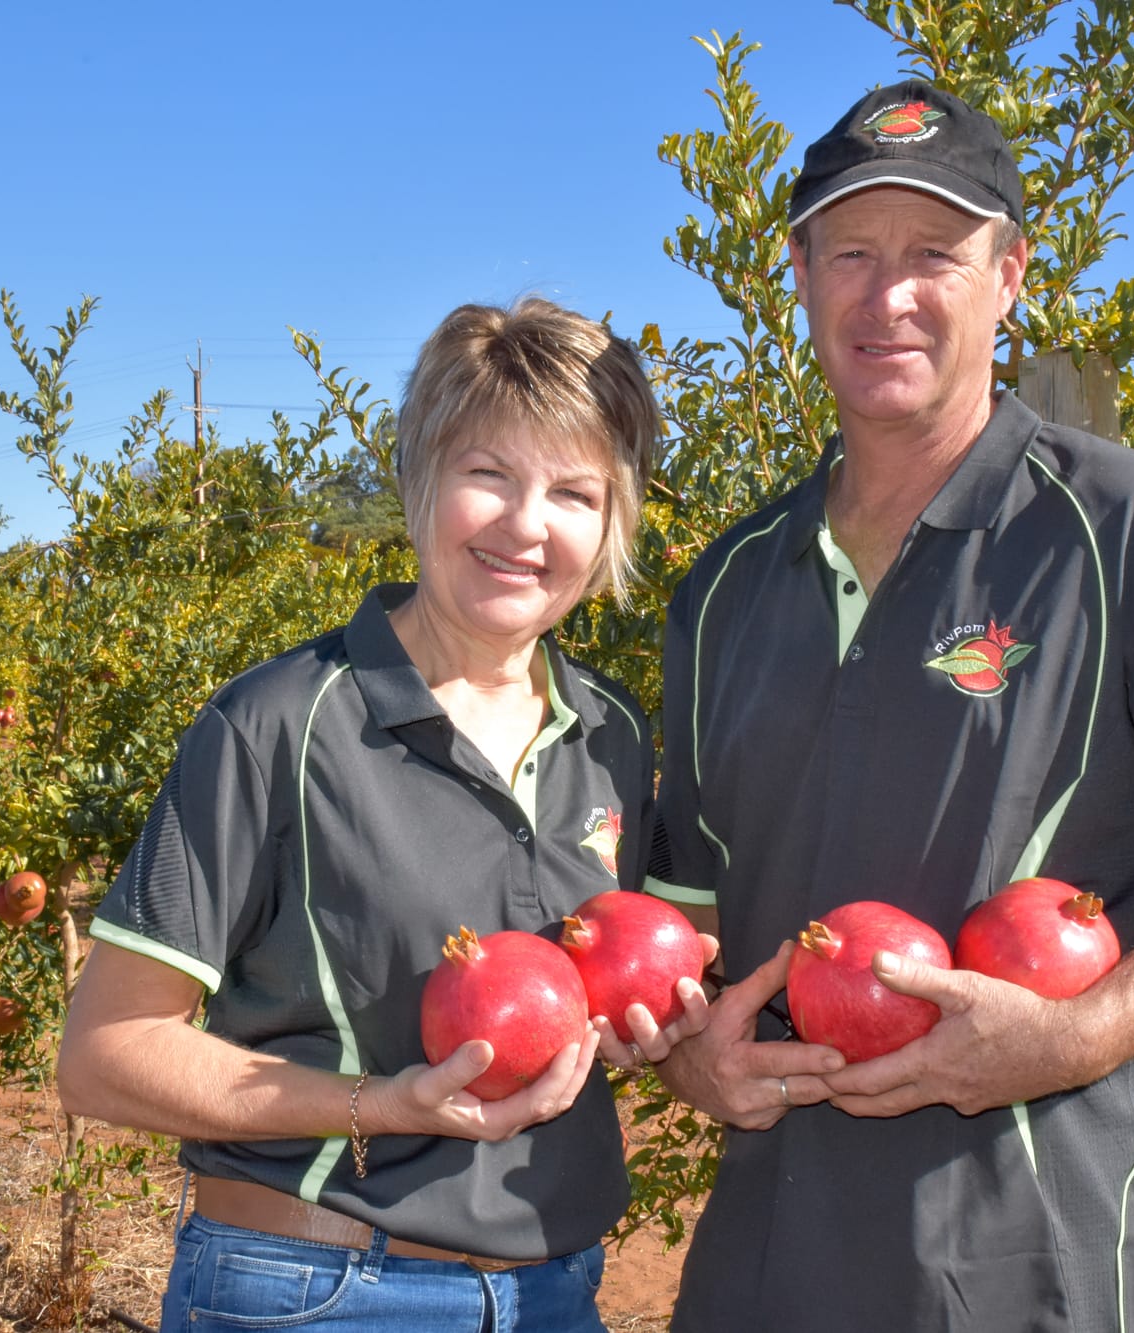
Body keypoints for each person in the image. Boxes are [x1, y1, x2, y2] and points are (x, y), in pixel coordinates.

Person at [644, 80, 1134, 1331]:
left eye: (934, 253)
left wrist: (1083, 1033)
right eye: (850, 253)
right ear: (799, 277)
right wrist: (682, 1050)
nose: (888, 296)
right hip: (762, 1270)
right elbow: (685, 922)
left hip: (1036, 1272)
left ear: (1008, 277)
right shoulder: (724, 584)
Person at [57, 297, 706, 1332]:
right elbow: (105, 1051)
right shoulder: (278, 721)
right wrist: (380, 1104)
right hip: (314, 1286)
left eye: (574, 492)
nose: (525, 524)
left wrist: (648, 1028)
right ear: (420, 479)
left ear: (612, 522)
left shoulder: (610, 731)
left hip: (551, 1290)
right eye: (488, 473)